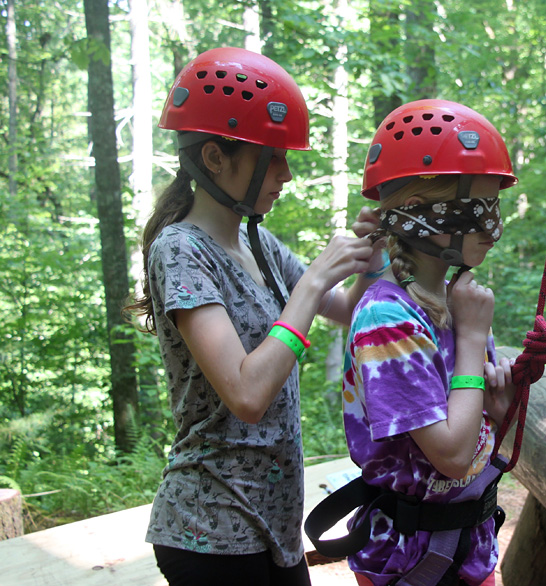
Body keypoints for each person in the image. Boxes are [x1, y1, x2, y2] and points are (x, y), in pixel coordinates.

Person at [125, 47, 385, 585]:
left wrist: (371, 258)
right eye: (274, 157)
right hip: (210, 530)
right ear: (216, 158)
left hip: (272, 527)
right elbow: (246, 395)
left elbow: (346, 310)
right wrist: (313, 280)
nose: (286, 174)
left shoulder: (258, 242)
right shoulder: (180, 251)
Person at [322, 99, 546, 586]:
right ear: (418, 214)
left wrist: (496, 406)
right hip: (413, 566)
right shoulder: (387, 318)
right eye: (480, 206)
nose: (494, 223)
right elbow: (449, 454)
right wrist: (472, 340)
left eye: (497, 204)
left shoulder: (449, 303)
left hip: (465, 553)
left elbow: (472, 439)